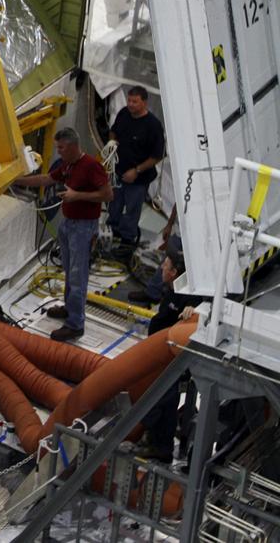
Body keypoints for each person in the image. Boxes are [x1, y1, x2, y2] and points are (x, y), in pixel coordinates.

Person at [15, 127, 114, 341]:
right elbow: (46, 180)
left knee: (78, 276)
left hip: (83, 227)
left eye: (60, 148)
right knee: (70, 271)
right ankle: (70, 308)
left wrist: (76, 195)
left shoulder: (91, 166)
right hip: (68, 224)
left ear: (72, 146)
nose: (58, 152)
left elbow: (108, 194)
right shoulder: (68, 165)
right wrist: (17, 181)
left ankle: (76, 324)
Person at [137, 237, 202, 462]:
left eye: (165, 264)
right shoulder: (173, 288)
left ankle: (161, 446)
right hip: (159, 350)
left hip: (170, 357)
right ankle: (155, 436)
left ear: (173, 272)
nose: (162, 267)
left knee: (163, 397)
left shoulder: (189, 298)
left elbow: (207, 307)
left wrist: (197, 311)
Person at [108, 86, 166, 263]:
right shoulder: (124, 114)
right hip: (118, 173)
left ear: (144, 102)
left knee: (132, 210)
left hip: (138, 179)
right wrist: (111, 144)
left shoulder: (153, 126)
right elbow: (114, 131)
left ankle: (127, 243)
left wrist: (137, 171)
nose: (130, 105)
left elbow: (157, 156)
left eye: (135, 102)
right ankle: (113, 232)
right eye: (129, 101)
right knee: (114, 205)